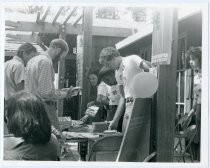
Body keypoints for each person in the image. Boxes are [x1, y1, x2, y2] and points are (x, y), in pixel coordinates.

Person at [25, 39, 79, 132]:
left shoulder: (32, 60)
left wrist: (61, 91)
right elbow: (45, 93)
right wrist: (66, 94)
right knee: (56, 137)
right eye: (62, 56)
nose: (60, 59)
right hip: (44, 107)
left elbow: (39, 87)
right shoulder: (46, 61)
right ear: (58, 50)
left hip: (30, 106)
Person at [99, 47, 151, 133]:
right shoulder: (117, 72)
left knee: (137, 137)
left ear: (112, 57)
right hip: (129, 104)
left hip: (140, 101)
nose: (108, 67)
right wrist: (115, 120)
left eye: (107, 64)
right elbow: (123, 97)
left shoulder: (131, 59)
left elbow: (149, 67)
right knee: (125, 135)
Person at [4, 91, 60, 160]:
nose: (6, 119)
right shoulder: (53, 141)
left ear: (18, 119)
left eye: (8, 116)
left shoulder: (12, 158)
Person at [185, 46, 202, 161]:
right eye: (189, 59)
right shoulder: (196, 76)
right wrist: (190, 113)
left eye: (193, 59)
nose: (191, 62)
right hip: (200, 110)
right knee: (199, 137)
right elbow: (197, 98)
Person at [97, 66, 124, 132]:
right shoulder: (109, 86)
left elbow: (123, 100)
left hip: (122, 112)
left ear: (113, 74)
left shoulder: (121, 83)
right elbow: (111, 103)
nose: (107, 82)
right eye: (105, 81)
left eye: (107, 79)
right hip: (112, 111)